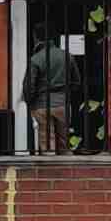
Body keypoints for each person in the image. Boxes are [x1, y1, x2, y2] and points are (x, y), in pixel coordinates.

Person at [22, 24, 81, 155]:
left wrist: (29, 102)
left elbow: (29, 86)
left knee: (48, 144)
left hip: (41, 105)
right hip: (62, 103)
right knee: (64, 144)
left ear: (36, 37)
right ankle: (67, 171)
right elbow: (76, 82)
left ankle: (50, 171)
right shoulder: (67, 56)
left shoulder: (35, 59)